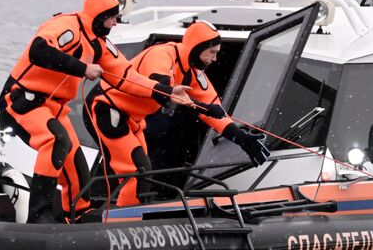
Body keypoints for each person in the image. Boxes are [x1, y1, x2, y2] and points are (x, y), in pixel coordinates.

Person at [1, 0, 164, 223]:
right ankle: (38, 215)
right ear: (99, 16)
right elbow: (39, 51)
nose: (115, 24)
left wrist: (165, 91)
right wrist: (82, 68)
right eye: (112, 18)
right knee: (56, 140)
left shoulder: (99, 44)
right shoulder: (67, 26)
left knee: (77, 164)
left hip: (54, 108)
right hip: (22, 101)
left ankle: (77, 214)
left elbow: (127, 77)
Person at [83, 20, 270, 207]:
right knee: (138, 171)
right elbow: (163, 92)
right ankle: (123, 224)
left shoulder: (193, 73)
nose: (214, 59)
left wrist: (241, 138)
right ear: (197, 47)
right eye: (212, 52)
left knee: (144, 173)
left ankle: (131, 218)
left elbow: (214, 112)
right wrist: (200, 106)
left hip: (131, 119)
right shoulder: (161, 54)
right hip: (106, 109)